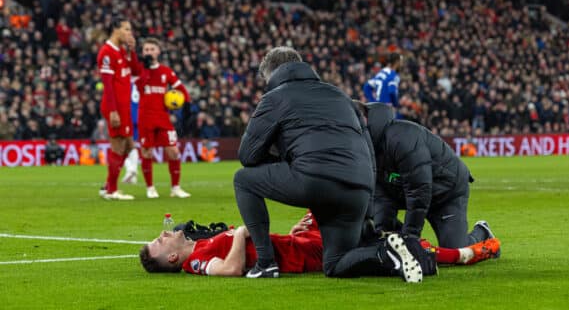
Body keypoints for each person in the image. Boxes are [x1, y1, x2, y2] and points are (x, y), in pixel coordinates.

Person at [233, 47, 426, 281]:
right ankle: (386, 252)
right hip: (358, 188)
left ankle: (265, 263)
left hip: (314, 181)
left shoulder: (274, 98)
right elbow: (368, 151)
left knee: (243, 180)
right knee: (335, 264)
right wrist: (368, 209)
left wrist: (283, 154)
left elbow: (248, 156)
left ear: (271, 74)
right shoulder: (340, 95)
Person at [139, 213, 501, 275]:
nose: (165, 232)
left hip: (302, 240)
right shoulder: (195, 262)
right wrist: (238, 235)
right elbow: (231, 270)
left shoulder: (200, 246)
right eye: (160, 240)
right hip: (314, 252)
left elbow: (260, 245)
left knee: (329, 187)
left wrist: (291, 233)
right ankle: (480, 245)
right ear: (172, 257)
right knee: (409, 245)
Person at [356, 102, 497, 250]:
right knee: (384, 237)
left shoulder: (402, 138)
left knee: (455, 249)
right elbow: (382, 193)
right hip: (408, 192)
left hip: (445, 193)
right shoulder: (368, 146)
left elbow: (419, 189)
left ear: (365, 119)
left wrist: (410, 237)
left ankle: (482, 232)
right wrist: (382, 228)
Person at [135, 37, 191, 199]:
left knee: (173, 151)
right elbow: (139, 87)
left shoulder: (166, 71)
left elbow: (181, 89)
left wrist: (187, 106)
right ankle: (150, 188)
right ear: (143, 52)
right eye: (146, 50)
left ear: (158, 52)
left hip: (163, 117)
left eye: (152, 49)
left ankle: (176, 188)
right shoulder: (139, 71)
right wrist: (145, 69)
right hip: (145, 117)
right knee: (147, 152)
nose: (149, 52)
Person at [97, 17, 141, 200]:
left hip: (124, 108)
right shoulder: (106, 53)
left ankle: (109, 186)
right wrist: (113, 111)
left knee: (128, 146)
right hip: (115, 108)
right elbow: (108, 86)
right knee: (119, 146)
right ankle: (112, 190)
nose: (130, 33)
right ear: (116, 30)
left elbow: (137, 71)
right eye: (127, 29)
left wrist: (132, 51)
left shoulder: (122, 51)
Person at [122, 78, 140, 184]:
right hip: (140, 116)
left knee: (119, 148)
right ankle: (133, 176)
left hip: (128, 116)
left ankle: (130, 168)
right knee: (133, 145)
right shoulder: (141, 81)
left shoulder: (125, 83)